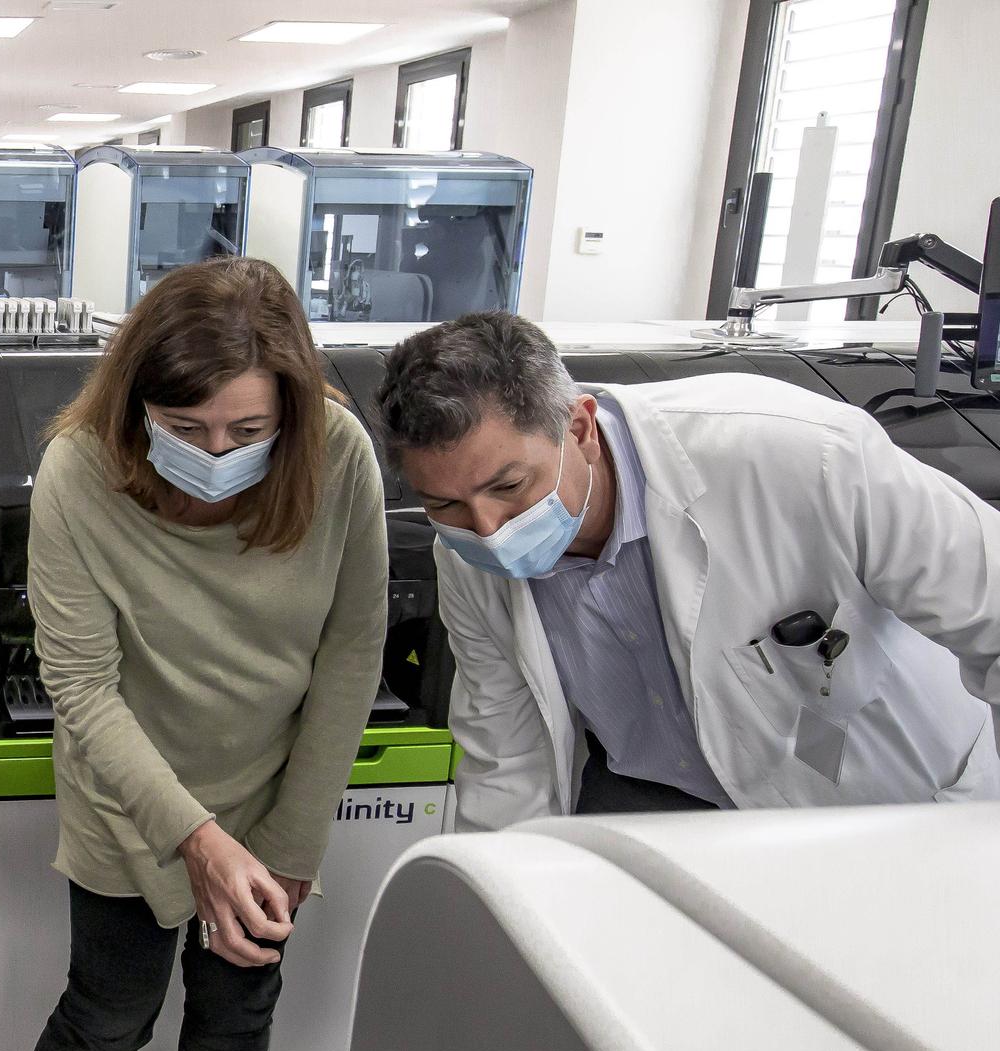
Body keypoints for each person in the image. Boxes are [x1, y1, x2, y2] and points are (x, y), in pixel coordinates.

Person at [0, 258, 389, 1051]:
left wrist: (290, 841)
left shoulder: (338, 457)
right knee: (104, 1012)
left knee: (234, 1010)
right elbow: (79, 685)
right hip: (131, 796)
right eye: (187, 425)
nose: (217, 454)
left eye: (244, 430)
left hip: (272, 793)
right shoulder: (80, 472)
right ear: (137, 406)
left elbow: (351, 653)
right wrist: (191, 838)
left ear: (290, 412)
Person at [378, 310, 1000, 826]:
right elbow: (505, 754)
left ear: (580, 427)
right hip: (663, 811)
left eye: (510, 486)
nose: (488, 528)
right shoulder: (465, 556)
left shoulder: (800, 453)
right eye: (445, 504)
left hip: (898, 803)